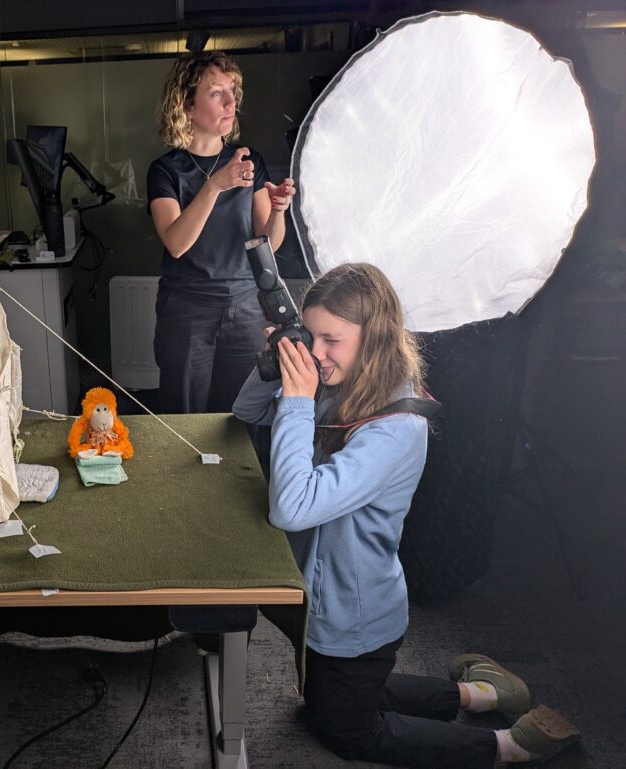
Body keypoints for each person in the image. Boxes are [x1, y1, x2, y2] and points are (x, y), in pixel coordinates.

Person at [233, 263, 580, 768]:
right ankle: (480, 695)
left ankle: (509, 745)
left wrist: (298, 398)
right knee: (328, 699)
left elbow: (293, 507)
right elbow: (246, 410)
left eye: (331, 339)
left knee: (348, 733)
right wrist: (274, 362)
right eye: (309, 337)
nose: (316, 353)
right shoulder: (340, 380)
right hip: (322, 596)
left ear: (373, 340)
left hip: (354, 612)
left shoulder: (397, 428)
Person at [147, 51, 295, 414]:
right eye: (217, 93)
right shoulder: (165, 171)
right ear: (187, 104)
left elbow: (268, 244)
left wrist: (278, 210)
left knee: (239, 414)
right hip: (187, 312)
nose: (231, 103)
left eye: (232, 92)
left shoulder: (249, 161)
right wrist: (214, 186)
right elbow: (177, 244)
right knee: (184, 417)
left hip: (245, 308)